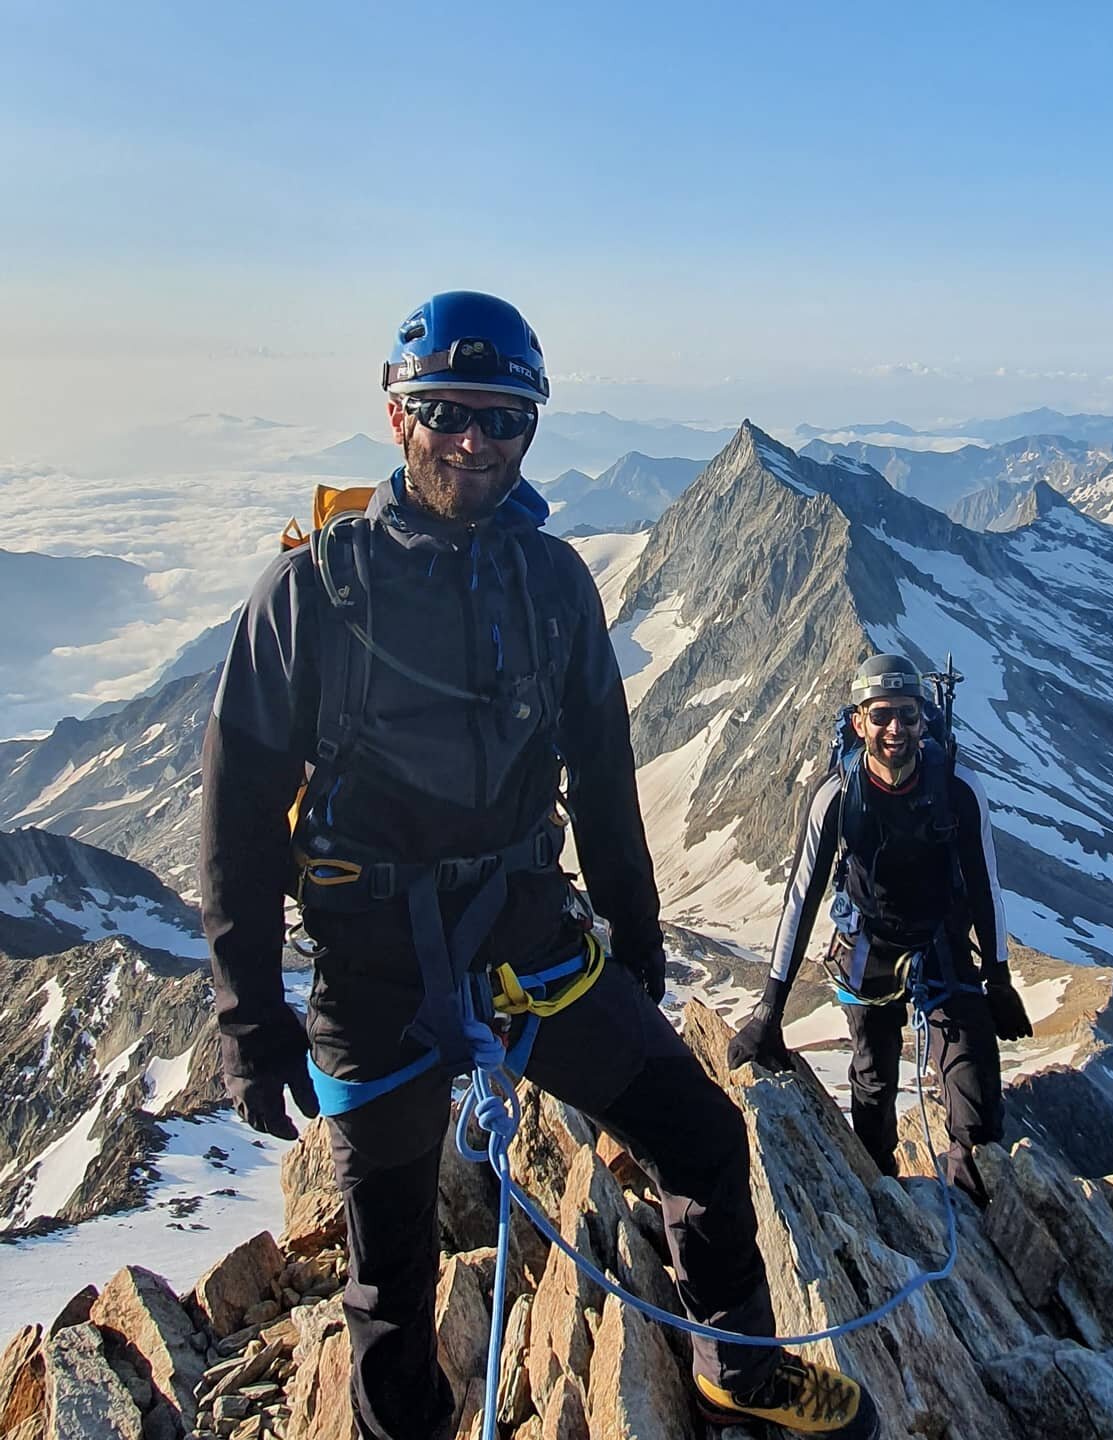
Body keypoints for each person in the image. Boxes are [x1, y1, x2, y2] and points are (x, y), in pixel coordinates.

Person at [199, 291, 878, 1440]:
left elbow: (604, 778)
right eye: (446, 412)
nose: (473, 441)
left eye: (503, 420)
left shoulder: (554, 583)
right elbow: (239, 813)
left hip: (532, 945)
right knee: (390, 1271)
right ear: (396, 413)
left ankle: (739, 1376)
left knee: (701, 1134)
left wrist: (639, 938)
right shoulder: (313, 590)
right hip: (372, 973)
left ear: (531, 429)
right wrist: (248, 1014)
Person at [728, 653, 1032, 1204]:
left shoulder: (958, 787)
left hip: (941, 937)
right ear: (860, 721)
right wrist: (769, 1008)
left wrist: (999, 977)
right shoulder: (837, 794)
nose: (897, 729)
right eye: (884, 715)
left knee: (977, 1094)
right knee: (873, 1080)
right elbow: (802, 896)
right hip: (869, 939)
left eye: (909, 716)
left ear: (924, 720)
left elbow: (986, 885)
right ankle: (883, 1198)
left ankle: (975, 1201)